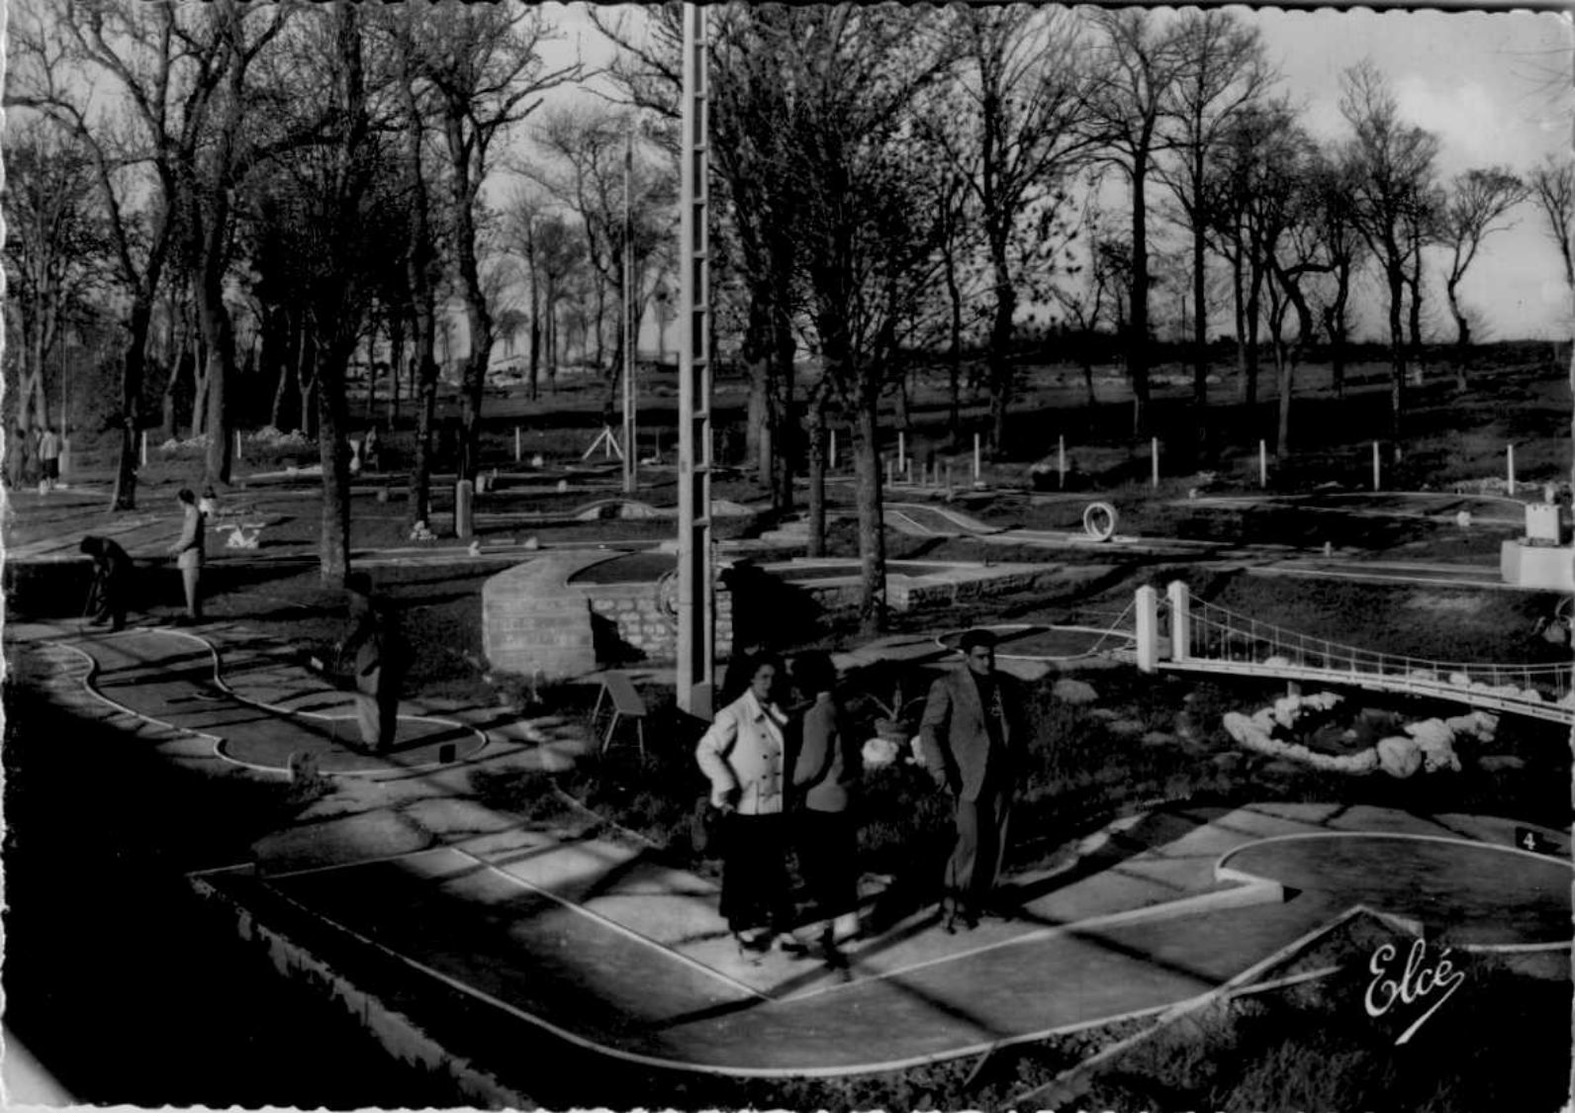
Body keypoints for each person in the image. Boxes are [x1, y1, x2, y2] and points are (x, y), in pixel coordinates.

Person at [918, 628, 1022, 932]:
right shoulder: (947, 685)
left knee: (996, 841)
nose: (988, 662)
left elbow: (1015, 727)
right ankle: (953, 908)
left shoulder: (1004, 684)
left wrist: (1019, 766)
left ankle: (984, 898)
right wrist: (939, 770)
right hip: (967, 777)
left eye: (992, 655)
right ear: (965, 656)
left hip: (1001, 774)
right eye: (981, 657)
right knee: (970, 842)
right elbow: (930, 729)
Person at [695, 650, 796, 953]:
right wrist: (725, 785)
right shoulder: (734, 713)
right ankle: (742, 925)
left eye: (774, 677)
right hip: (743, 807)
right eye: (763, 676)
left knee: (776, 869)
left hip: (775, 805)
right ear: (751, 678)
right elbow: (705, 751)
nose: (769, 682)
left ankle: (783, 927)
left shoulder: (779, 712)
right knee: (742, 870)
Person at [789, 650, 862, 954]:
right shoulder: (838, 707)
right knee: (841, 862)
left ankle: (834, 924)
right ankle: (846, 922)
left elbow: (812, 765)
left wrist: (788, 782)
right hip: (845, 796)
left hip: (822, 801)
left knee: (818, 865)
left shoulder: (817, 715)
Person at [337, 573, 408, 754]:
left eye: (349, 590)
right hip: (391, 655)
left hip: (370, 657)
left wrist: (342, 643)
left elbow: (356, 626)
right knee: (387, 700)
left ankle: (371, 742)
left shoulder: (359, 604)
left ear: (354, 590)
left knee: (366, 699)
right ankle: (386, 741)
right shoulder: (380, 603)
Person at [80, 535, 135, 632]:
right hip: (109, 570)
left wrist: (108, 578)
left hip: (123, 571)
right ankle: (102, 617)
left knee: (117, 597)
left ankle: (118, 624)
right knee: (103, 594)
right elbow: (97, 562)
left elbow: (114, 567)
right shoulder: (97, 548)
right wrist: (98, 573)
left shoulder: (108, 548)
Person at [168, 486, 205, 623]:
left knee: (192, 589)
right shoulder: (190, 513)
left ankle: (193, 616)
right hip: (188, 558)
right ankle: (192, 613)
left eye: (179, 501)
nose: (179, 504)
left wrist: (175, 548)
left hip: (192, 558)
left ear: (183, 501)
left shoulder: (194, 513)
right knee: (190, 590)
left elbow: (190, 537)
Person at [36, 424, 61, 494]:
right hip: (55, 456)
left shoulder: (45, 438)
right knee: (54, 472)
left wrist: (41, 457)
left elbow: (42, 449)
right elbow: (60, 447)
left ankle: (50, 485)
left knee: (48, 472)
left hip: (48, 457)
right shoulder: (56, 438)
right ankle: (53, 485)